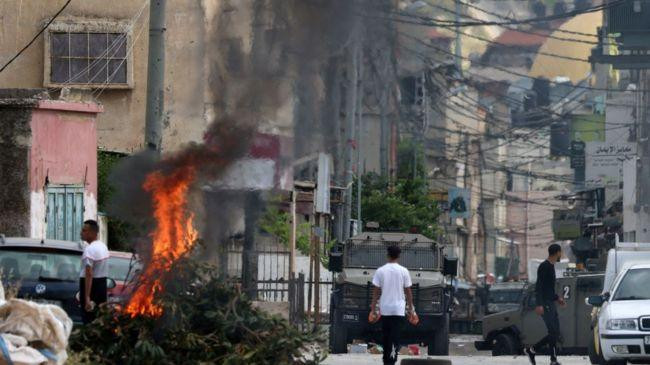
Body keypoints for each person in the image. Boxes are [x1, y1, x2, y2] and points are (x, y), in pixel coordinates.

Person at [370, 245, 414, 365]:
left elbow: (376, 291)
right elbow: (408, 292)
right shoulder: (404, 271)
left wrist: (373, 309)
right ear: (399, 256)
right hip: (399, 310)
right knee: (395, 337)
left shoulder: (380, 270)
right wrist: (411, 309)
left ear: (387, 255)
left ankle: (386, 360)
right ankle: (392, 360)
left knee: (386, 336)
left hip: (385, 310)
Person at [526, 243, 566, 365]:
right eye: (561, 252)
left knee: (555, 332)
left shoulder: (552, 266)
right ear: (557, 252)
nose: (561, 255)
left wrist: (557, 298)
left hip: (551, 303)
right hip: (545, 304)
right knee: (553, 331)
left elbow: (549, 289)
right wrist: (539, 304)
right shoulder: (544, 266)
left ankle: (533, 351)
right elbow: (539, 287)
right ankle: (551, 359)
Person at [79, 220, 109, 324]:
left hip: (91, 288)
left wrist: (87, 297)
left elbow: (89, 273)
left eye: (84, 230)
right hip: (102, 286)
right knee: (99, 320)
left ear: (92, 233)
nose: (81, 232)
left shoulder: (90, 250)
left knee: (88, 319)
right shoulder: (103, 247)